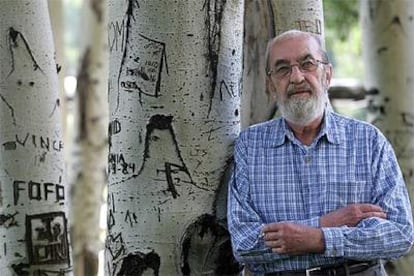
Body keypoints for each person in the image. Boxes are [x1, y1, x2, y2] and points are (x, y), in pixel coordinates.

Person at [227, 29, 414, 275]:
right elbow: (243, 243)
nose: (296, 77)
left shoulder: (368, 141)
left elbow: (400, 234)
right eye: (282, 69)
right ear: (270, 85)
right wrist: (325, 224)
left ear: (327, 74)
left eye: (307, 64)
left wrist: (318, 238)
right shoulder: (250, 146)